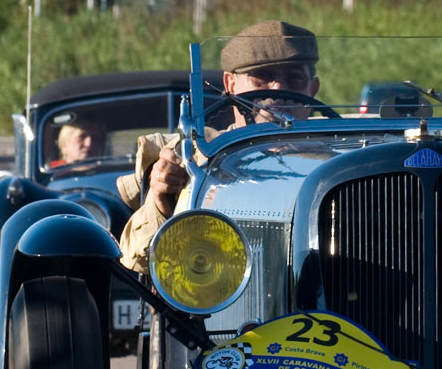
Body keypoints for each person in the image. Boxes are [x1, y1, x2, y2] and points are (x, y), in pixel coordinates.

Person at [117, 20, 320, 270]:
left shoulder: (338, 163)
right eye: (262, 78)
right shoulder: (196, 159)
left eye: (295, 80)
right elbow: (136, 258)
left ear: (313, 89)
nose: (278, 89)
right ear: (231, 85)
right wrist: (161, 198)